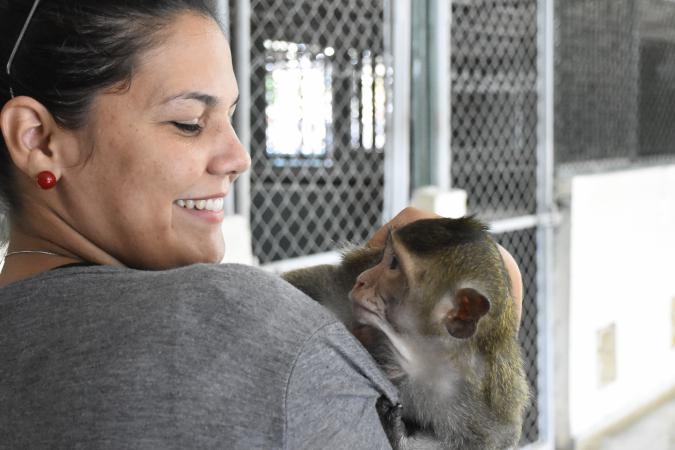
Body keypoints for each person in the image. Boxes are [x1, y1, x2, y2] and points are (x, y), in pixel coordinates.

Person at [0, 1, 523, 448]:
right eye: (189, 123)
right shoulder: (252, 330)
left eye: (231, 116)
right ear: (37, 139)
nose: (239, 156)